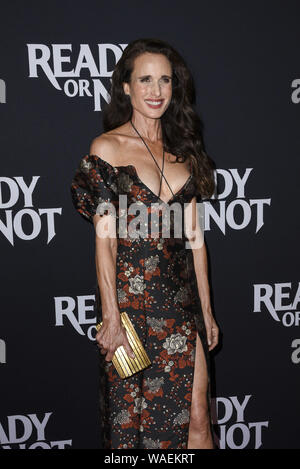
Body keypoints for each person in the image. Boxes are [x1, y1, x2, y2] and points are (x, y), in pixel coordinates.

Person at [71, 38, 219, 450]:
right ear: (126, 87)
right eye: (145, 80)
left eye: (165, 81)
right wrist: (111, 316)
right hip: (130, 311)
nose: (156, 91)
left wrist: (206, 311)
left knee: (199, 418)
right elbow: (105, 243)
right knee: (133, 432)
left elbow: (195, 241)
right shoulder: (107, 149)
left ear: (175, 88)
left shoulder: (183, 151)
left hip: (179, 306)